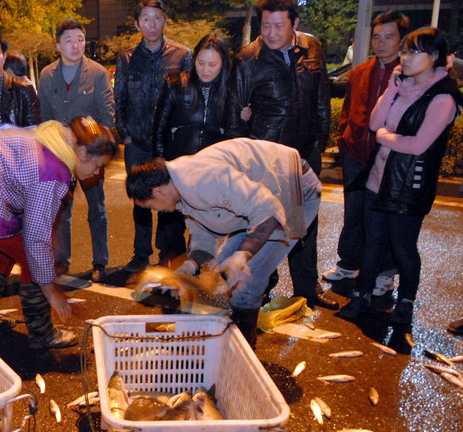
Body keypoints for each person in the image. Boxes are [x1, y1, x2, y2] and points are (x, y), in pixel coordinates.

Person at [0, 117, 117, 349]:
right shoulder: (52, 169)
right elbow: (36, 241)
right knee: (31, 256)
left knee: (7, 251)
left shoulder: (55, 135)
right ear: (82, 152)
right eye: (98, 165)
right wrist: (50, 290)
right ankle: (42, 333)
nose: (97, 173)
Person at [126, 138, 322, 348]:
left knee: (247, 278)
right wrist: (189, 266)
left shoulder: (202, 179)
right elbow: (204, 235)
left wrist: (242, 256)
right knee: (226, 263)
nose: (155, 211)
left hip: (293, 188)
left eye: (151, 206)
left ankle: (243, 354)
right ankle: (239, 333)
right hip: (260, 201)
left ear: (157, 191)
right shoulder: (180, 187)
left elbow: (268, 210)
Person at [338, 27, 463, 325]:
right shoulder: (401, 86)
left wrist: (386, 139)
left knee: (403, 247)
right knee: (373, 242)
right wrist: (393, 87)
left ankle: (405, 303)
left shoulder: (443, 98)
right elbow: (375, 122)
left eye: (413, 52)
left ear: (433, 57)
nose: (404, 58)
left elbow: (419, 144)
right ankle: (361, 296)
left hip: (409, 186)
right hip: (378, 179)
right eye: (405, 51)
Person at [224, 0, 336, 310]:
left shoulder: (312, 47)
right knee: (265, 225)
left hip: (305, 153)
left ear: (295, 23)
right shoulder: (248, 59)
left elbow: (321, 97)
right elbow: (234, 112)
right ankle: (260, 285)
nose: (271, 33)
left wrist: (319, 143)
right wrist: (243, 161)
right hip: (267, 158)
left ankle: (306, 287)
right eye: (266, 26)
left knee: (304, 226)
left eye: (279, 25)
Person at [322, 11, 409, 298]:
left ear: (401, 39)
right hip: (356, 154)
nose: (381, 43)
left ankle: (384, 274)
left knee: (384, 218)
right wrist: (344, 140)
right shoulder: (360, 72)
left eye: (389, 37)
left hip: (390, 159)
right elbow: (347, 112)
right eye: (377, 37)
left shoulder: (409, 74)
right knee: (354, 212)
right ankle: (348, 263)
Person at [115, 0, 192, 273]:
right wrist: (124, 135)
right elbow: (119, 99)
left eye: (157, 18)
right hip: (136, 143)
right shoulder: (126, 58)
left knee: (169, 201)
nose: (152, 25)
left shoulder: (182, 55)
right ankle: (140, 254)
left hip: (168, 144)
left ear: (165, 20)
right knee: (141, 201)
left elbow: (188, 98)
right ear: (137, 24)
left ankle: (168, 253)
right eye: (146, 19)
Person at [39, 18, 115, 283]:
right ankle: (62, 259)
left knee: (97, 209)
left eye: (80, 40)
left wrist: (91, 144)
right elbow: (45, 119)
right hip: (59, 155)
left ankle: (100, 262)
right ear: (58, 45)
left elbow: (107, 115)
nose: (75, 45)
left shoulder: (97, 72)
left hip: (90, 154)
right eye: (69, 41)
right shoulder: (47, 74)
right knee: (61, 211)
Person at [154, 33, 229, 164]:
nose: (205, 70)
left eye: (212, 65)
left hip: (215, 166)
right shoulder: (175, 84)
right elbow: (159, 127)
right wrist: (159, 157)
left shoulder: (230, 90)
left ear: (223, 64)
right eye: (201, 63)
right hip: (178, 164)